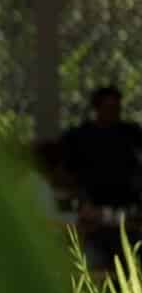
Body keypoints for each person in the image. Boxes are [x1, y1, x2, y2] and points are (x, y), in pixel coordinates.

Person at [60, 86, 142, 267]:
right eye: (108, 108)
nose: (113, 113)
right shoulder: (79, 137)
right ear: (97, 108)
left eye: (116, 109)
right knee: (93, 258)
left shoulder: (130, 134)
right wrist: (82, 203)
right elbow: (66, 176)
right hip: (92, 214)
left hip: (127, 213)